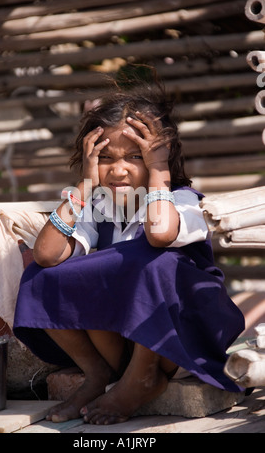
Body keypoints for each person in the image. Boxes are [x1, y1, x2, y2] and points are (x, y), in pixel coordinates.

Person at [13, 79, 245, 425]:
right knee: (40, 274)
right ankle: (97, 374)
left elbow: (159, 234)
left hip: (181, 341)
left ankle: (143, 377)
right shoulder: (97, 206)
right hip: (123, 341)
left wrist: (158, 171)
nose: (118, 170)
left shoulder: (182, 201)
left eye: (135, 156)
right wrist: (84, 186)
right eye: (105, 158)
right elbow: (47, 255)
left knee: (154, 260)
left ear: (162, 155)